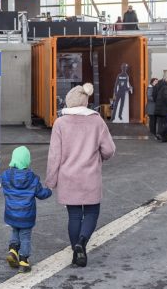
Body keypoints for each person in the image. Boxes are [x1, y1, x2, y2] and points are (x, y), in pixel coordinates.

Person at [45, 83, 116, 268]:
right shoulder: (97, 120)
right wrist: (100, 157)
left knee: (74, 215)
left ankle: (76, 249)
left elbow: (54, 155)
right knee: (92, 212)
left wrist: (51, 180)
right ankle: (81, 243)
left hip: (68, 178)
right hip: (90, 177)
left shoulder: (60, 123)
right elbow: (108, 150)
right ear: (85, 101)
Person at [2, 146, 52, 273]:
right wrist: (49, 190)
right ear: (27, 160)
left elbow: (5, 189)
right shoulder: (33, 178)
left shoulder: (6, 176)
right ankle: (23, 260)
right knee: (25, 236)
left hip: (11, 212)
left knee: (15, 230)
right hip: (27, 214)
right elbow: (41, 194)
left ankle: (13, 250)